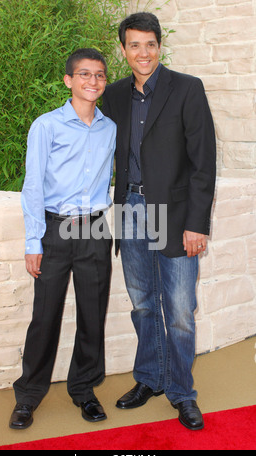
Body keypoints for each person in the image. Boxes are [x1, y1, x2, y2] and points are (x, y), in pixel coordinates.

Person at [102, 12, 216, 431]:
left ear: (159, 46)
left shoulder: (187, 88)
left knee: (181, 310)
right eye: (134, 45)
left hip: (176, 214)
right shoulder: (113, 96)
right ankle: (149, 378)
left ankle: (182, 393)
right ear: (124, 50)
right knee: (143, 303)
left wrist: (197, 224)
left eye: (150, 44)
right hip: (130, 210)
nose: (143, 52)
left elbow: (204, 162)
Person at [9, 48, 116, 430]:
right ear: (68, 80)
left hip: (96, 229)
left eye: (100, 75)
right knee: (45, 316)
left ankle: (84, 390)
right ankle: (28, 396)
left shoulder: (110, 127)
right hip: (55, 230)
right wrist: (33, 241)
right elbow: (33, 185)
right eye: (84, 74)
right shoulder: (47, 126)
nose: (93, 81)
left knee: (92, 314)